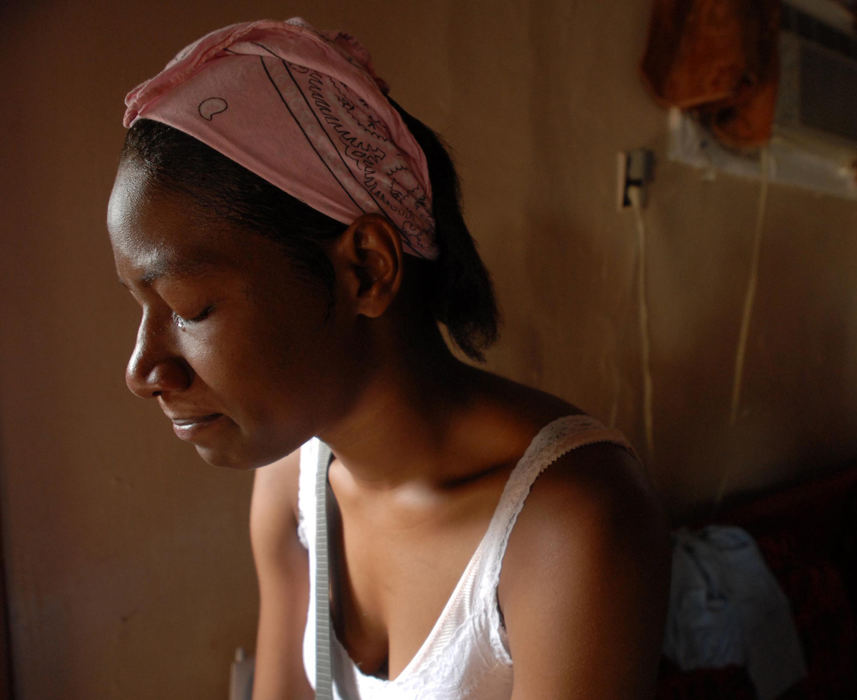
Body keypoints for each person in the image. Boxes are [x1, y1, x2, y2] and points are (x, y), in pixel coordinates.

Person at [107, 18, 669, 700]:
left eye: (190, 307)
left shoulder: (569, 524)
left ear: (367, 271)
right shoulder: (294, 482)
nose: (142, 371)